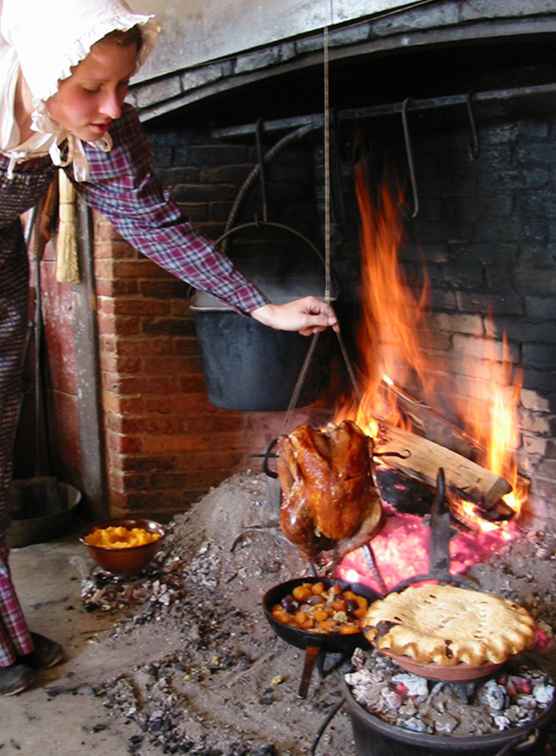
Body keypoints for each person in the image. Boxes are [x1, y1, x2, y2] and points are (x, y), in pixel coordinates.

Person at [0, 0, 338, 695]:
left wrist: (258, 304)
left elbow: (148, 217)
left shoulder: (101, 122)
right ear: (41, 69)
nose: (112, 104)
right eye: (92, 87)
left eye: (124, 85)